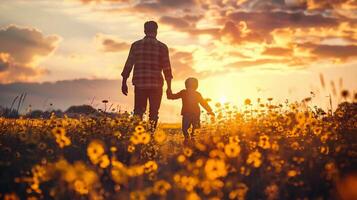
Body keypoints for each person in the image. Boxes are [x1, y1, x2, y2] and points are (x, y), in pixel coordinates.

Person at [121, 21, 173, 132]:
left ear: (144, 30)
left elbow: (129, 64)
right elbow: (167, 69)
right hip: (156, 85)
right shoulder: (162, 47)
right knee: (154, 113)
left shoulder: (136, 45)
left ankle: (137, 137)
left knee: (138, 111)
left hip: (140, 84)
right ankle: (151, 136)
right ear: (156, 31)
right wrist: (169, 87)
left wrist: (124, 81)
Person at [166, 77, 214, 141]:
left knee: (186, 129)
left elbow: (172, 97)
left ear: (186, 85)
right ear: (196, 86)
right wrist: (210, 110)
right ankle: (191, 140)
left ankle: (188, 139)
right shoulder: (196, 94)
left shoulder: (184, 92)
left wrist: (169, 92)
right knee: (195, 129)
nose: (190, 89)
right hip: (194, 114)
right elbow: (203, 103)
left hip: (188, 114)